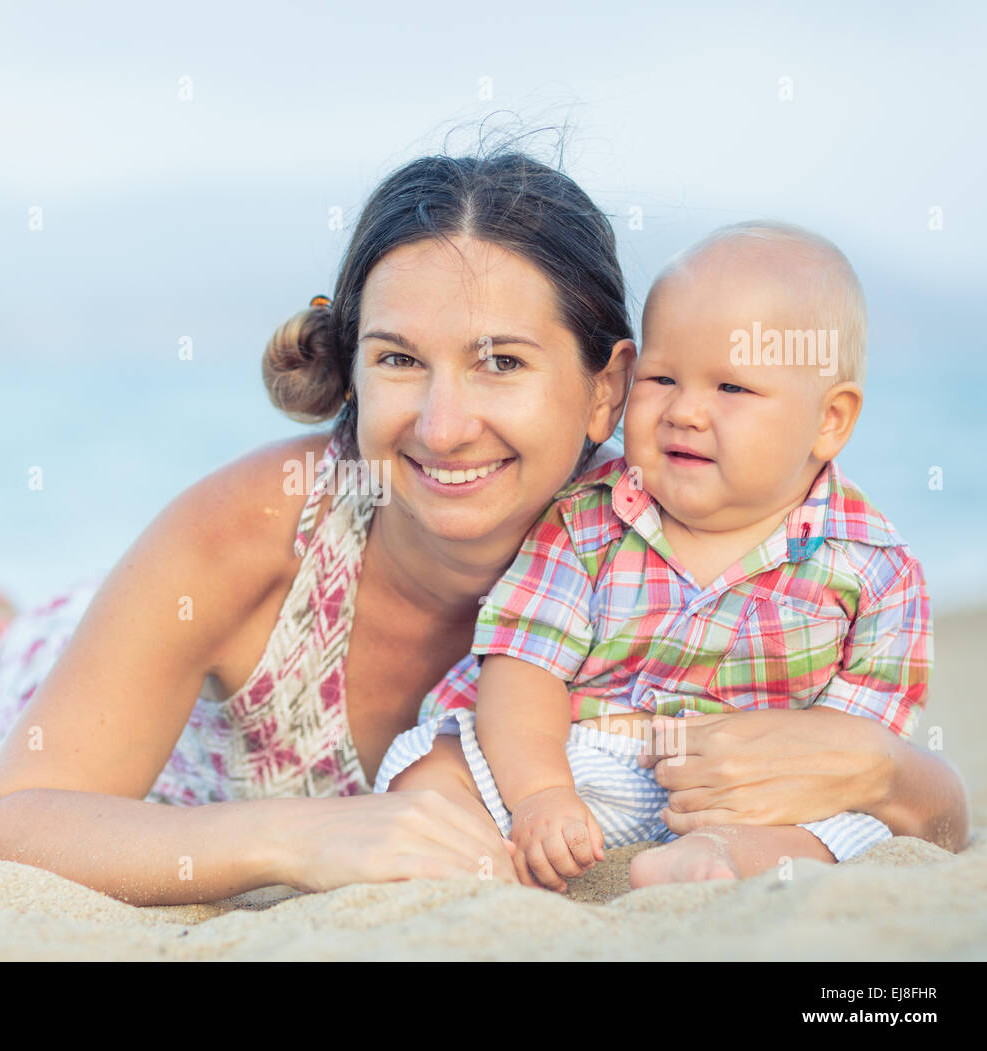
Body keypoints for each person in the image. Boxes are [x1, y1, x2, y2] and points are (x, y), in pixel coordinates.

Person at [0, 144, 970, 907]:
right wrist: (305, 839)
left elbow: (923, 811)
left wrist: (881, 769)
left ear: (609, 386)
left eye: (501, 361)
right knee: (10, 664)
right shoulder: (259, 527)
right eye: (397, 359)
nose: (441, 424)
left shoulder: (674, 525)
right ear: (350, 366)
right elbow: (3, 821)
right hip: (55, 694)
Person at [375, 221, 939, 891]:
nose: (686, 412)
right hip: (583, 759)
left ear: (830, 420)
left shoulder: (875, 569)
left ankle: (722, 859)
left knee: (858, 824)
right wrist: (541, 793)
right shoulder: (588, 516)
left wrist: (767, 805)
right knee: (430, 760)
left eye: (731, 388)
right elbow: (523, 668)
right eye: (664, 377)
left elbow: (850, 751)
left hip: (748, 790)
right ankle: (476, 851)